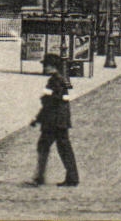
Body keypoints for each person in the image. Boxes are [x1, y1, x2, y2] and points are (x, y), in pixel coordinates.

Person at [30, 54, 79, 187]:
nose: (44, 68)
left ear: (52, 67)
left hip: (54, 121)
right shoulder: (58, 80)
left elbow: (52, 101)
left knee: (47, 146)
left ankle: (40, 177)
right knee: (62, 148)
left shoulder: (55, 81)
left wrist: (39, 117)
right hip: (59, 120)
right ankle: (72, 177)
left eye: (46, 65)